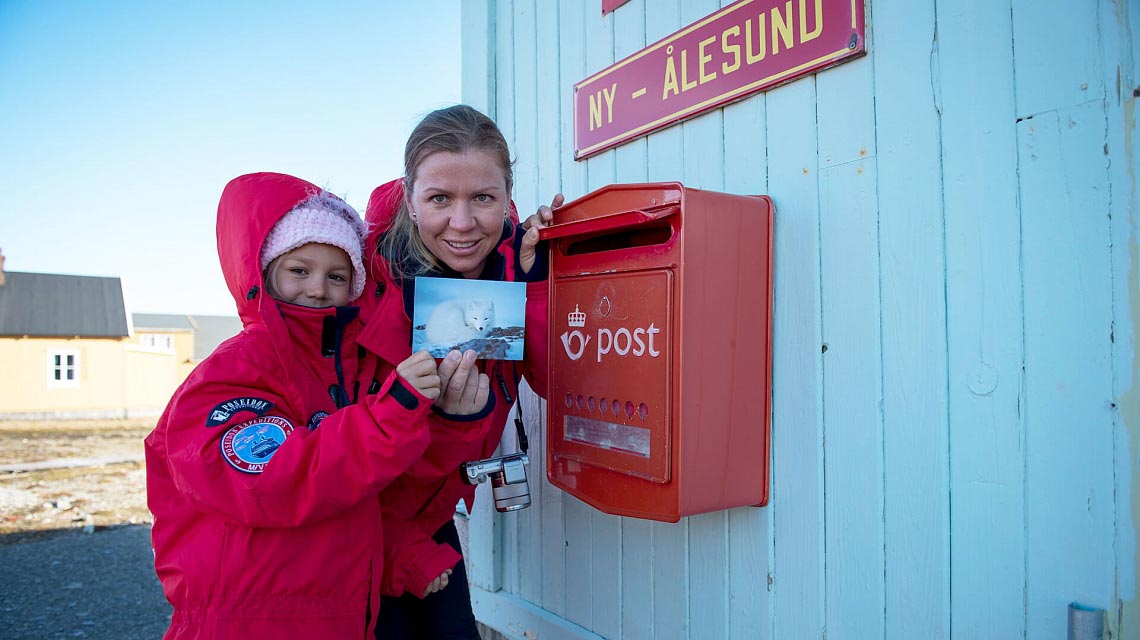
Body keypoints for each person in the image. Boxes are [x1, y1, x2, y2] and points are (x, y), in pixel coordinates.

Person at [145, 172, 445, 639]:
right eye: (300, 270)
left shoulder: (344, 370)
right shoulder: (235, 369)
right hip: (246, 624)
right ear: (266, 272)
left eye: (337, 275)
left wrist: (407, 554)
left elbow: (349, 498)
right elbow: (278, 480)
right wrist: (392, 413)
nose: (318, 289)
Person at [355, 104, 561, 639]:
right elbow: (353, 460)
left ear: (508, 200)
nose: (463, 223)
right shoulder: (361, 287)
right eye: (440, 199)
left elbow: (553, 378)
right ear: (410, 199)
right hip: (360, 537)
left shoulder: (509, 269)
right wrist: (453, 424)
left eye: (483, 199)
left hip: (434, 521)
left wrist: (535, 280)